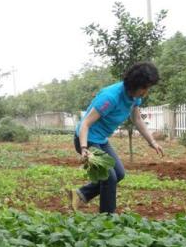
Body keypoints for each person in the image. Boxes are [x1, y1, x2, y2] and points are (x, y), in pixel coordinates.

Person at [69, 62, 164, 214]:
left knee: (119, 174)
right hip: (87, 139)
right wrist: (84, 149)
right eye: (145, 87)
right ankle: (108, 218)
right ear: (135, 84)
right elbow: (85, 123)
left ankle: (81, 194)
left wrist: (152, 141)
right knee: (109, 178)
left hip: (101, 140)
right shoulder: (110, 97)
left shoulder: (134, 97)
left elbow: (137, 119)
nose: (146, 92)